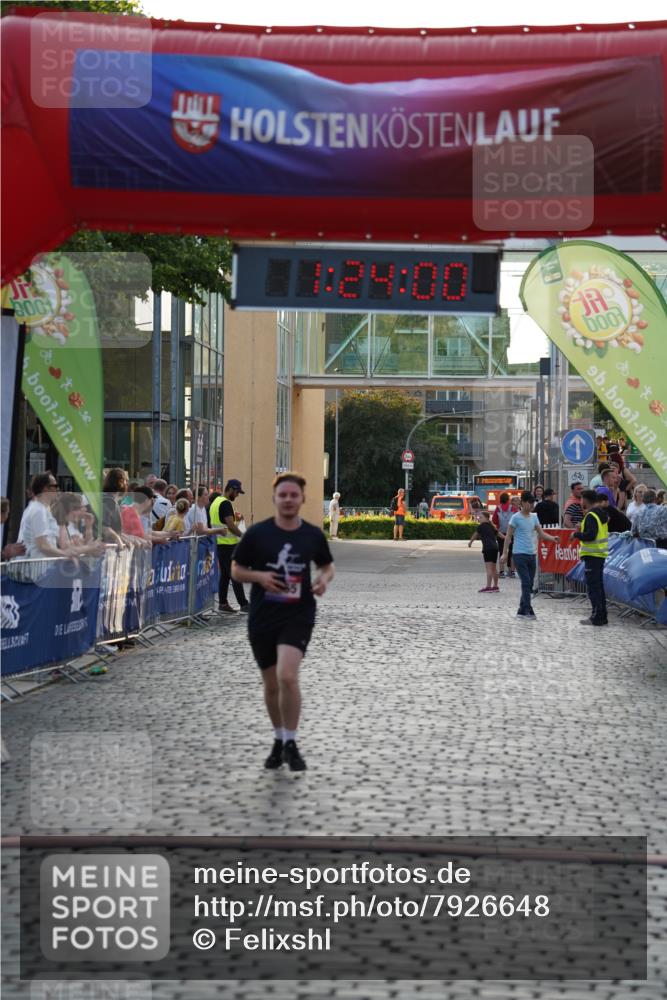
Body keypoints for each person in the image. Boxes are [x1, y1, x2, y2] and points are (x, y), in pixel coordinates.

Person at [231, 472, 335, 771]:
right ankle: (279, 740)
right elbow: (237, 570)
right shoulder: (258, 534)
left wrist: (323, 580)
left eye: (294, 495)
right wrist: (259, 576)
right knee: (271, 683)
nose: (288, 500)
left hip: (298, 614)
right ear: (275, 498)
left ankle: (291, 741)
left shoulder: (312, 535)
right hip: (263, 615)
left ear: (302, 499)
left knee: (287, 676)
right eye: (283, 495)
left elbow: (328, 567)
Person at [500, 492, 558, 619]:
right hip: (519, 554)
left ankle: (521, 610)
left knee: (529, 583)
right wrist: (504, 553)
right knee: (526, 582)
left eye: (533, 502)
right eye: (530, 502)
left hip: (532, 554)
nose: (532, 504)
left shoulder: (534, 517)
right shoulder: (515, 518)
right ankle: (528, 609)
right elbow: (508, 536)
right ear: (523, 502)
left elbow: (541, 533)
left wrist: (553, 538)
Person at [210, 478, 250, 612]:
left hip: (220, 543)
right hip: (228, 544)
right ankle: (244, 604)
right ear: (231, 489)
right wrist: (243, 536)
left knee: (225, 576)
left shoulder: (216, 501)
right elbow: (230, 525)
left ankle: (222, 603)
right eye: (237, 492)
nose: (237, 495)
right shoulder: (225, 503)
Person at [16, 473, 77, 559]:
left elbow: (58, 541)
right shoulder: (37, 510)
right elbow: (43, 545)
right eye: (55, 486)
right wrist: (64, 554)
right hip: (33, 570)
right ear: (45, 489)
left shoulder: (43, 510)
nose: (58, 489)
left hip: (41, 568)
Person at [573, 490, 609, 626]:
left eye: (581, 499)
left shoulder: (591, 515)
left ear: (586, 500)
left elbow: (591, 535)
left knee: (594, 588)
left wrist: (577, 535)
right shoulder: (601, 514)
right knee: (598, 587)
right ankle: (602, 615)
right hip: (599, 555)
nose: (580, 502)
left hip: (593, 555)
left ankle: (597, 617)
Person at [468, 510, 499, 592]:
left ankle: (488, 587)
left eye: (481, 517)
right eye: (478, 517)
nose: (479, 519)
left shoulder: (481, 526)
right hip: (495, 548)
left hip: (487, 548)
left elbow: (475, 534)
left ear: (486, 518)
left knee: (488, 568)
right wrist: (507, 538)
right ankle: (495, 586)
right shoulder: (492, 526)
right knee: (494, 568)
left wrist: (470, 542)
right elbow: (499, 534)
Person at [492, 492, 513, 578]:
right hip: (511, 532)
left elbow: (494, 520)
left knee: (501, 551)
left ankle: (501, 571)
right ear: (508, 499)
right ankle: (511, 571)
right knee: (512, 551)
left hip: (501, 532)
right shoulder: (513, 508)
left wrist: (498, 525)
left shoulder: (498, 508)